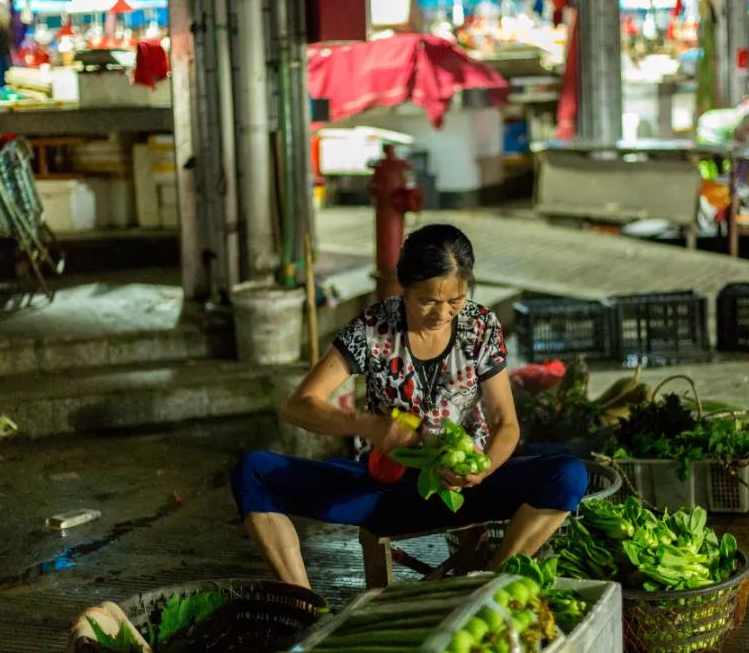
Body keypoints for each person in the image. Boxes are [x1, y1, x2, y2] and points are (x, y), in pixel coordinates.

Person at [231, 224, 588, 588]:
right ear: (404, 287)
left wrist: (481, 471)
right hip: (387, 493)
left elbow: (505, 423)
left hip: (466, 491)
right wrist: (366, 425)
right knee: (253, 472)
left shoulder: (479, 326)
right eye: (429, 301)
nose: (443, 313)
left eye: (456, 299)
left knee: (569, 475)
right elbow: (299, 406)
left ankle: (489, 584)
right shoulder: (373, 328)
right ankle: (306, 605)